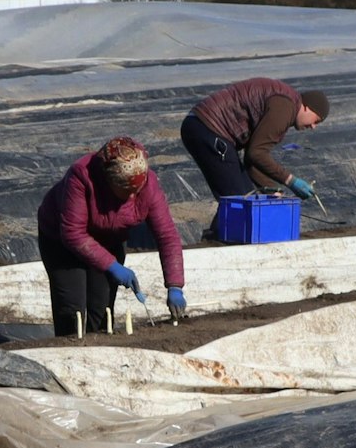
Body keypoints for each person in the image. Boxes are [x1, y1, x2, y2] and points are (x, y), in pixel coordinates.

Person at [37, 136, 188, 333]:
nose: (133, 196)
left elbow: (167, 235)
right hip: (63, 243)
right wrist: (112, 266)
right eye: (127, 190)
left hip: (109, 240)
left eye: (137, 190)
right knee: (72, 310)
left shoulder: (148, 185)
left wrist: (175, 285)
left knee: (101, 308)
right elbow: (73, 233)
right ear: (110, 182)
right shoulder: (82, 176)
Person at [180, 77, 329, 220]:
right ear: (307, 107)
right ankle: (220, 241)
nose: (313, 127)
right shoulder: (285, 107)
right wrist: (290, 181)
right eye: (316, 120)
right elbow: (256, 153)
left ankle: (219, 238)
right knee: (240, 202)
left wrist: (272, 190)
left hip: (202, 125)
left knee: (247, 198)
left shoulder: (286, 104)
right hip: (208, 127)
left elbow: (252, 159)